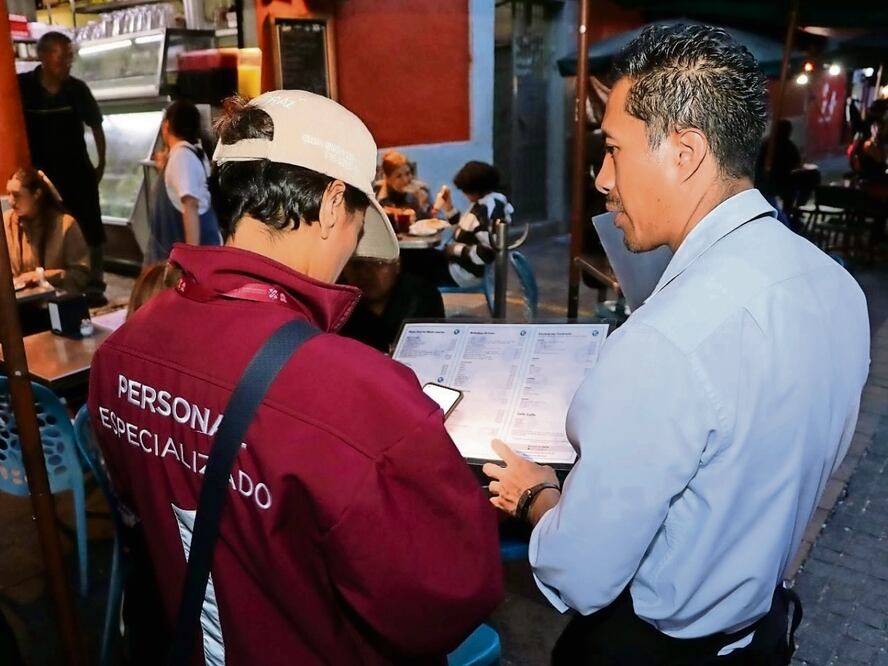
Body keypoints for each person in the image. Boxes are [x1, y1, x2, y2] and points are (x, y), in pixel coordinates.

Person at [483, 24, 869, 665]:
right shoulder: (835, 285)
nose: (602, 178)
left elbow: (584, 569)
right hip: (761, 632)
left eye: (612, 150)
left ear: (685, 152)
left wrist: (537, 497)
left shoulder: (666, 341)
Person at [88, 90, 502, 664]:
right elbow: (451, 594)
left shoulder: (121, 351)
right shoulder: (358, 394)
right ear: (334, 204)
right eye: (359, 225)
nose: (354, 248)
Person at [18, 31, 107, 305]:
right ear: (43, 56)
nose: (67, 62)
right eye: (61, 56)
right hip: (42, 176)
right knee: (50, 226)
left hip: (77, 171)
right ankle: (56, 284)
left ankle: (94, 284)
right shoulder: (23, 87)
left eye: (69, 56)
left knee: (91, 226)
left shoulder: (77, 89)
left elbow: (96, 126)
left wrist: (100, 163)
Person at [146, 100, 222, 262]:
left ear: (166, 125)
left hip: (198, 253)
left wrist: (190, 259)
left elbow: (190, 205)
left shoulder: (182, 156)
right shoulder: (189, 153)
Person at [4, 167, 89, 294]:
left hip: (56, 303)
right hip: (18, 304)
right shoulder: (6, 221)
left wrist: (41, 276)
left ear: (36, 194)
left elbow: (81, 275)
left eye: (16, 195)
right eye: (8, 194)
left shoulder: (65, 225)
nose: (11, 201)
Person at [430, 160, 513, 287]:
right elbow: (464, 232)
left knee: (416, 270)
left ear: (475, 189)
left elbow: (487, 253)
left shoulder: (488, 210)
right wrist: (448, 207)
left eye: (465, 190)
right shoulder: (482, 203)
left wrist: (455, 250)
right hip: (459, 266)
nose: (464, 194)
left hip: (464, 273)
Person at [339, 257, 445, 353]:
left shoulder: (423, 296)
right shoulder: (336, 306)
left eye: (378, 263)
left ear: (397, 263)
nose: (366, 274)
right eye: (356, 265)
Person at [755, 118, 802, 214]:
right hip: (769, 181)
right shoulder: (768, 144)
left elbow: (796, 163)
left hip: (778, 180)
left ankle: (790, 211)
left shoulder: (787, 145)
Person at [375, 150, 433, 221]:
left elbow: (432, 224)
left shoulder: (423, 189)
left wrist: (422, 205)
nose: (405, 180)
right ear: (387, 178)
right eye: (399, 176)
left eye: (408, 173)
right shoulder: (375, 192)